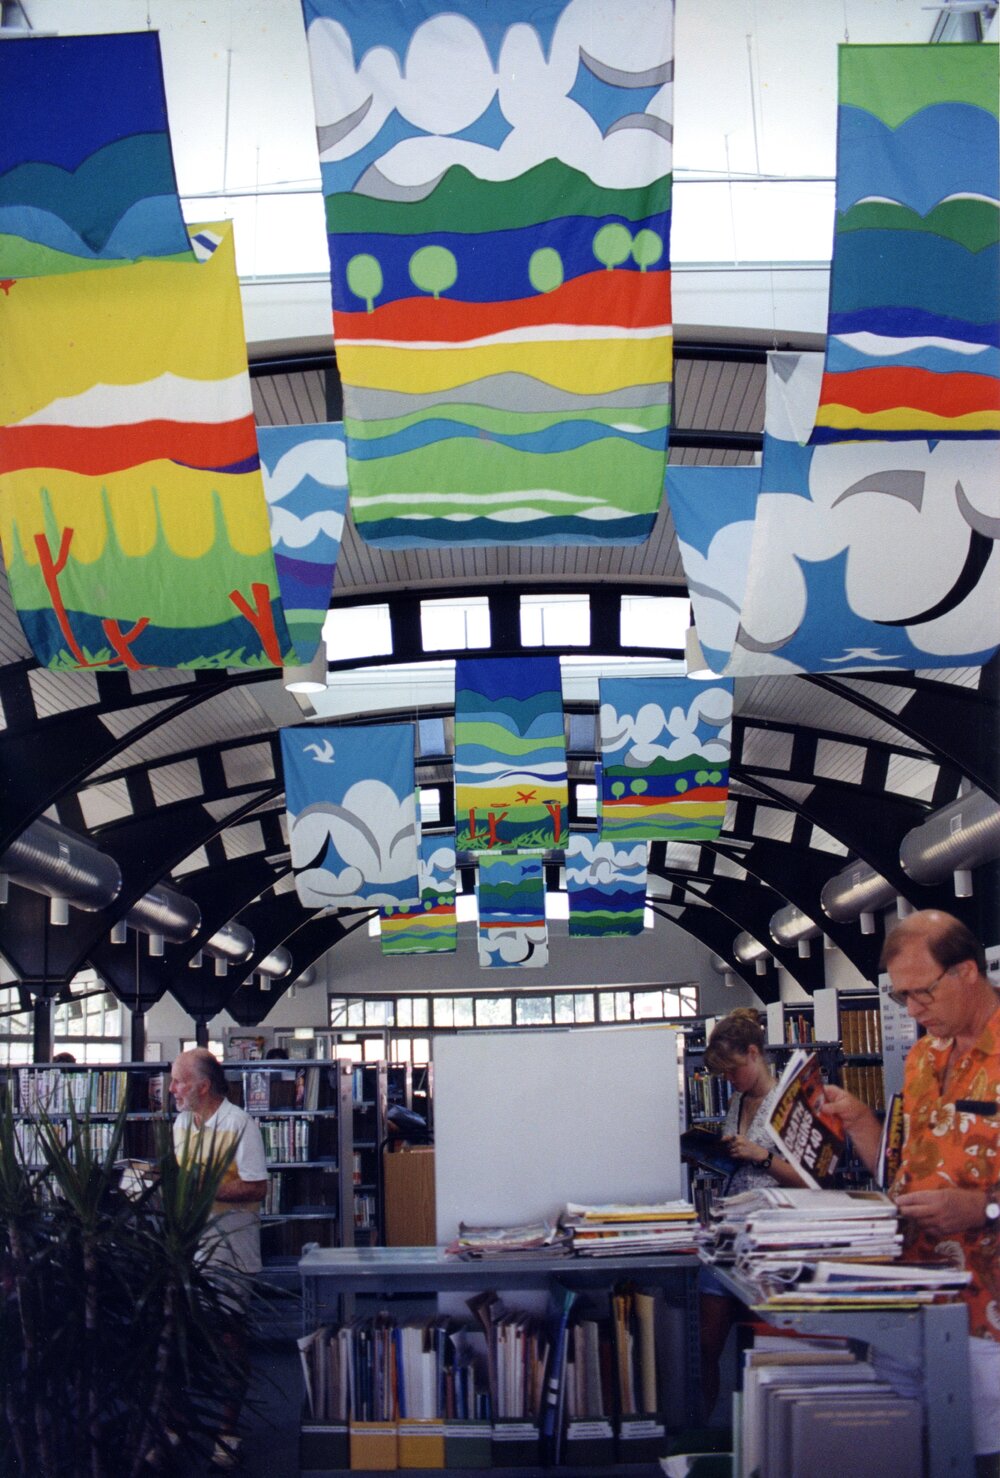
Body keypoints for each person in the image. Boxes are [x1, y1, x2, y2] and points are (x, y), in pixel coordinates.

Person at [823, 910, 999, 1476]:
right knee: (911, 1455)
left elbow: (971, 1198)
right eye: (902, 999)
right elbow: (902, 1170)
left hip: (988, 1314)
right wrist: (858, 1123)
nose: (914, 1011)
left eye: (921, 994)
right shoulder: (924, 1055)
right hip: (915, 1298)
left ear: (967, 972)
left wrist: (982, 1207)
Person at [696, 1008, 808, 1420]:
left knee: (761, 1347)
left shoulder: (790, 1103)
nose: (730, 1080)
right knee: (704, 1346)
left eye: (733, 1070)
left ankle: (760, 1433)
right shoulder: (738, 1099)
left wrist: (761, 1156)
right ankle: (707, 1429)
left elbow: (809, 1182)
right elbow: (738, 1161)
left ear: (754, 1053)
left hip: (770, 1243)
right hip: (728, 1233)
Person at [169, 1048, 269, 1471]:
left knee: (229, 1340)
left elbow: (256, 1188)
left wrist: (202, 1192)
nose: (171, 1089)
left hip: (230, 1252)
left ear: (203, 1086)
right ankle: (176, 1426)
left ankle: (227, 1432)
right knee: (177, 1337)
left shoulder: (239, 1124)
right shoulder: (179, 1124)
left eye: (178, 1081)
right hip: (188, 1249)